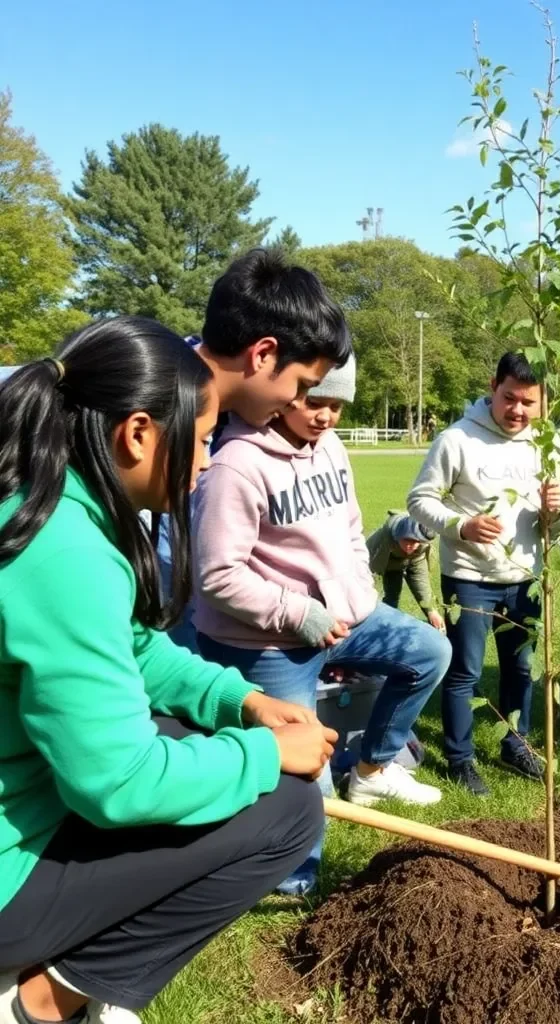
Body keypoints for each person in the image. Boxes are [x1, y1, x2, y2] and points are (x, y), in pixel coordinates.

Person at [0, 319, 333, 1024]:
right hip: (7, 875)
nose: (208, 461)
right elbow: (116, 785)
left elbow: (133, 649)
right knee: (289, 813)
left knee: (183, 732)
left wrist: (240, 700)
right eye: (205, 438)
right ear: (140, 433)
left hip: (25, 801)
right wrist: (267, 752)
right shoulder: (63, 553)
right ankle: (40, 1001)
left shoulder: (47, 500)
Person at [191, 363, 450, 894]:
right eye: (314, 401)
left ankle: (374, 772)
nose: (327, 415)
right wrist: (300, 613)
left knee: (429, 651)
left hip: (341, 615)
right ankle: (295, 875)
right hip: (267, 637)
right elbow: (216, 576)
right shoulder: (236, 466)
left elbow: (354, 530)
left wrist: (356, 591)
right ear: (287, 393)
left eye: (339, 406)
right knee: (309, 769)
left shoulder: (331, 447)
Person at [157, 248, 352, 651]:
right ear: (262, 354)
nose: (296, 402)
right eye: (301, 385)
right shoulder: (152, 404)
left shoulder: (220, 401)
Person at [407, 352, 560, 796]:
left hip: (526, 578)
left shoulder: (548, 445)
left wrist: (559, 511)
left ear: (542, 401)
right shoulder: (456, 440)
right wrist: (462, 526)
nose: (518, 410)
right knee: (465, 673)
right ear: (493, 386)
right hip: (469, 577)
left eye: (528, 402)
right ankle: (460, 759)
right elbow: (419, 501)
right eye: (509, 397)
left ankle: (516, 744)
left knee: (522, 669)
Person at [367, 512, 445, 631]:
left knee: (394, 596)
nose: (410, 546)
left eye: (414, 541)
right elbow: (368, 576)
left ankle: (388, 625)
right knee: (386, 597)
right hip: (379, 561)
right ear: (397, 536)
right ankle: (379, 626)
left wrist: (431, 610)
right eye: (406, 540)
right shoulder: (380, 544)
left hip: (402, 561)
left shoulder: (421, 546)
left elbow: (419, 579)